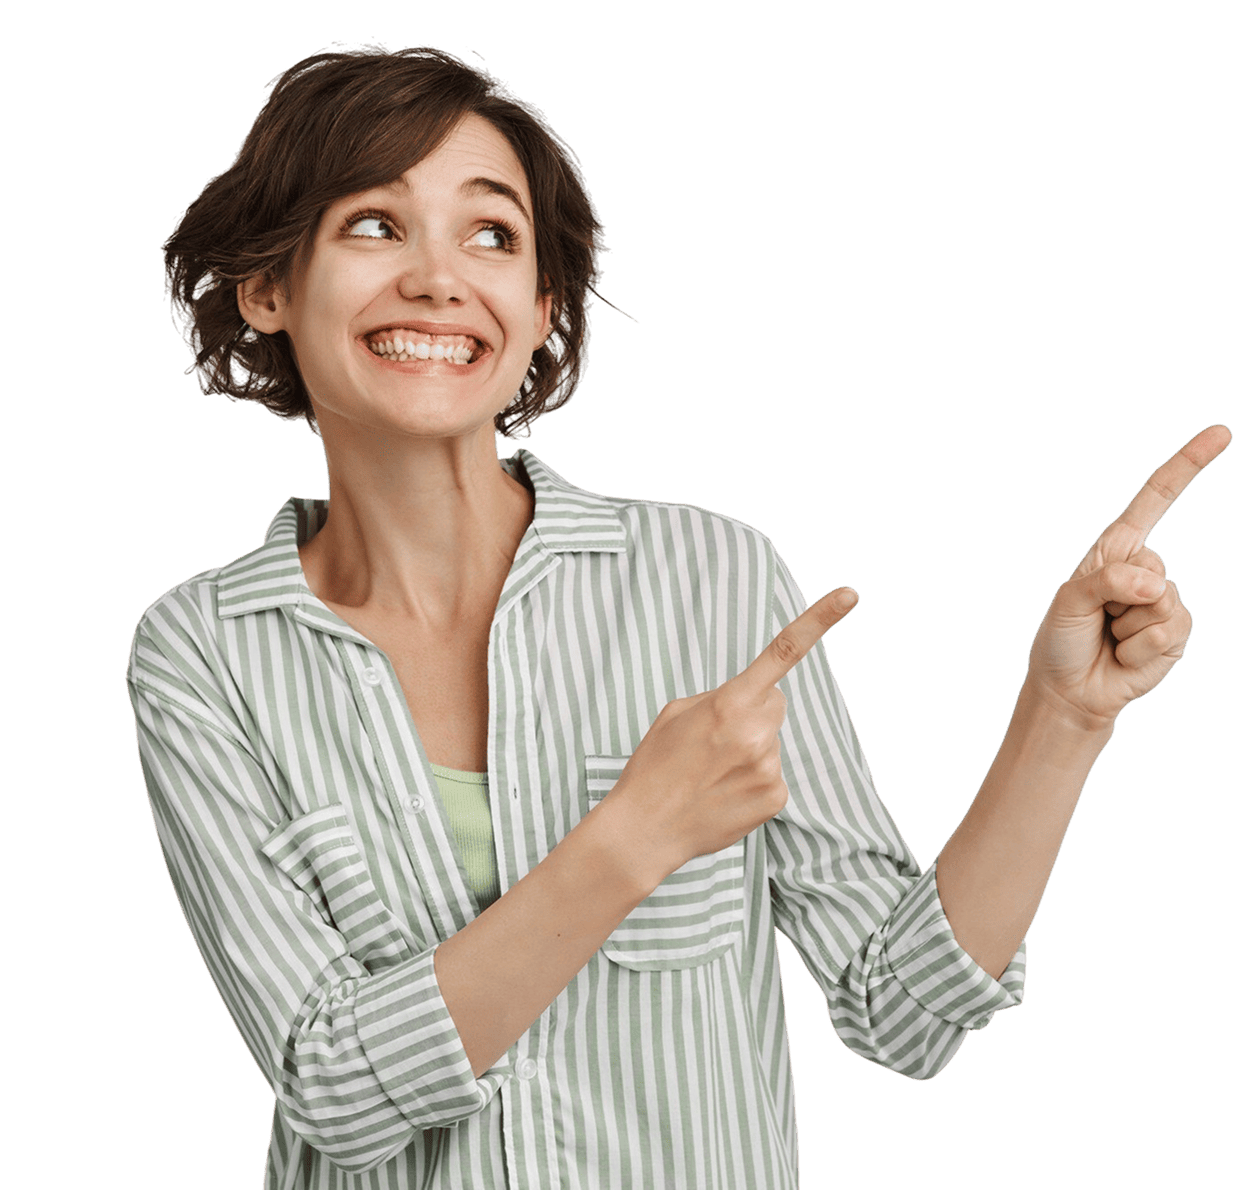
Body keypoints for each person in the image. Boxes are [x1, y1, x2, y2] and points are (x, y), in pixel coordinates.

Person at [124, 42, 1231, 1190]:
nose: (439, 278)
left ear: (541, 308)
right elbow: (334, 1091)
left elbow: (903, 1011)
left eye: (492, 234)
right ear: (266, 288)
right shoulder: (204, 651)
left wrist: (1063, 716)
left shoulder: (710, 577)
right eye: (373, 224)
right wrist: (637, 830)